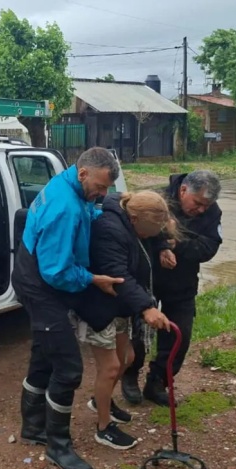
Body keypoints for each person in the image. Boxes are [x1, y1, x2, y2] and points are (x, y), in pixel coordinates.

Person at [12, 147, 124, 469]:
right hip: (42, 285)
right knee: (68, 367)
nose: (103, 194)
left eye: (107, 189)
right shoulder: (64, 208)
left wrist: (104, 212)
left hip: (35, 275)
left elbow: (87, 211)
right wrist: (92, 278)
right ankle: (58, 446)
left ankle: (33, 428)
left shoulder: (67, 185)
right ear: (83, 173)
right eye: (101, 187)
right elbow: (57, 272)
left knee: (44, 356)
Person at [70, 191, 175, 450]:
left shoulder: (131, 218)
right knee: (110, 367)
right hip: (98, 306)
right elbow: (118, 275)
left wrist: (161, 245)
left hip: (118, 306)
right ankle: (103, 428)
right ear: (135, 218)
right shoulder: (109, 229)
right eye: (150, 231)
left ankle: (100, 401)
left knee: (126, 359)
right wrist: (147, 308)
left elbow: (156, 231)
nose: (151, 235)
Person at [120, 170, 223, 406]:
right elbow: (135, 236)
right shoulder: (155, 199)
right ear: (184, 190)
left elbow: (209, 247)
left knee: (180, 337)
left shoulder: (212, 212)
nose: (201, 210)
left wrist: (177, 245)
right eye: (197, 204)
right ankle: (130, 375)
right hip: (147, 280)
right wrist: (161, 247)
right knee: (138, 334)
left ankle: (157, 383)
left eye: (206, 206)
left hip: (183, 284)